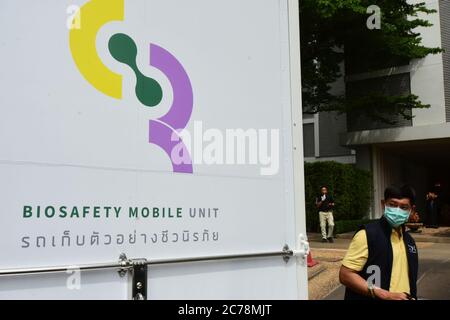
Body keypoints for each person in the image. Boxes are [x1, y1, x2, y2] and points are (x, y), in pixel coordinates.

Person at [339, 185, 418, 300]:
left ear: (412, 210)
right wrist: (383, 294)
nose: (397, 210)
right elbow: (345, 275)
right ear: (383, 204)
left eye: (404, 207)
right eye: (392, 205)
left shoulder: (410, 242)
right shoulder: (367, 234)